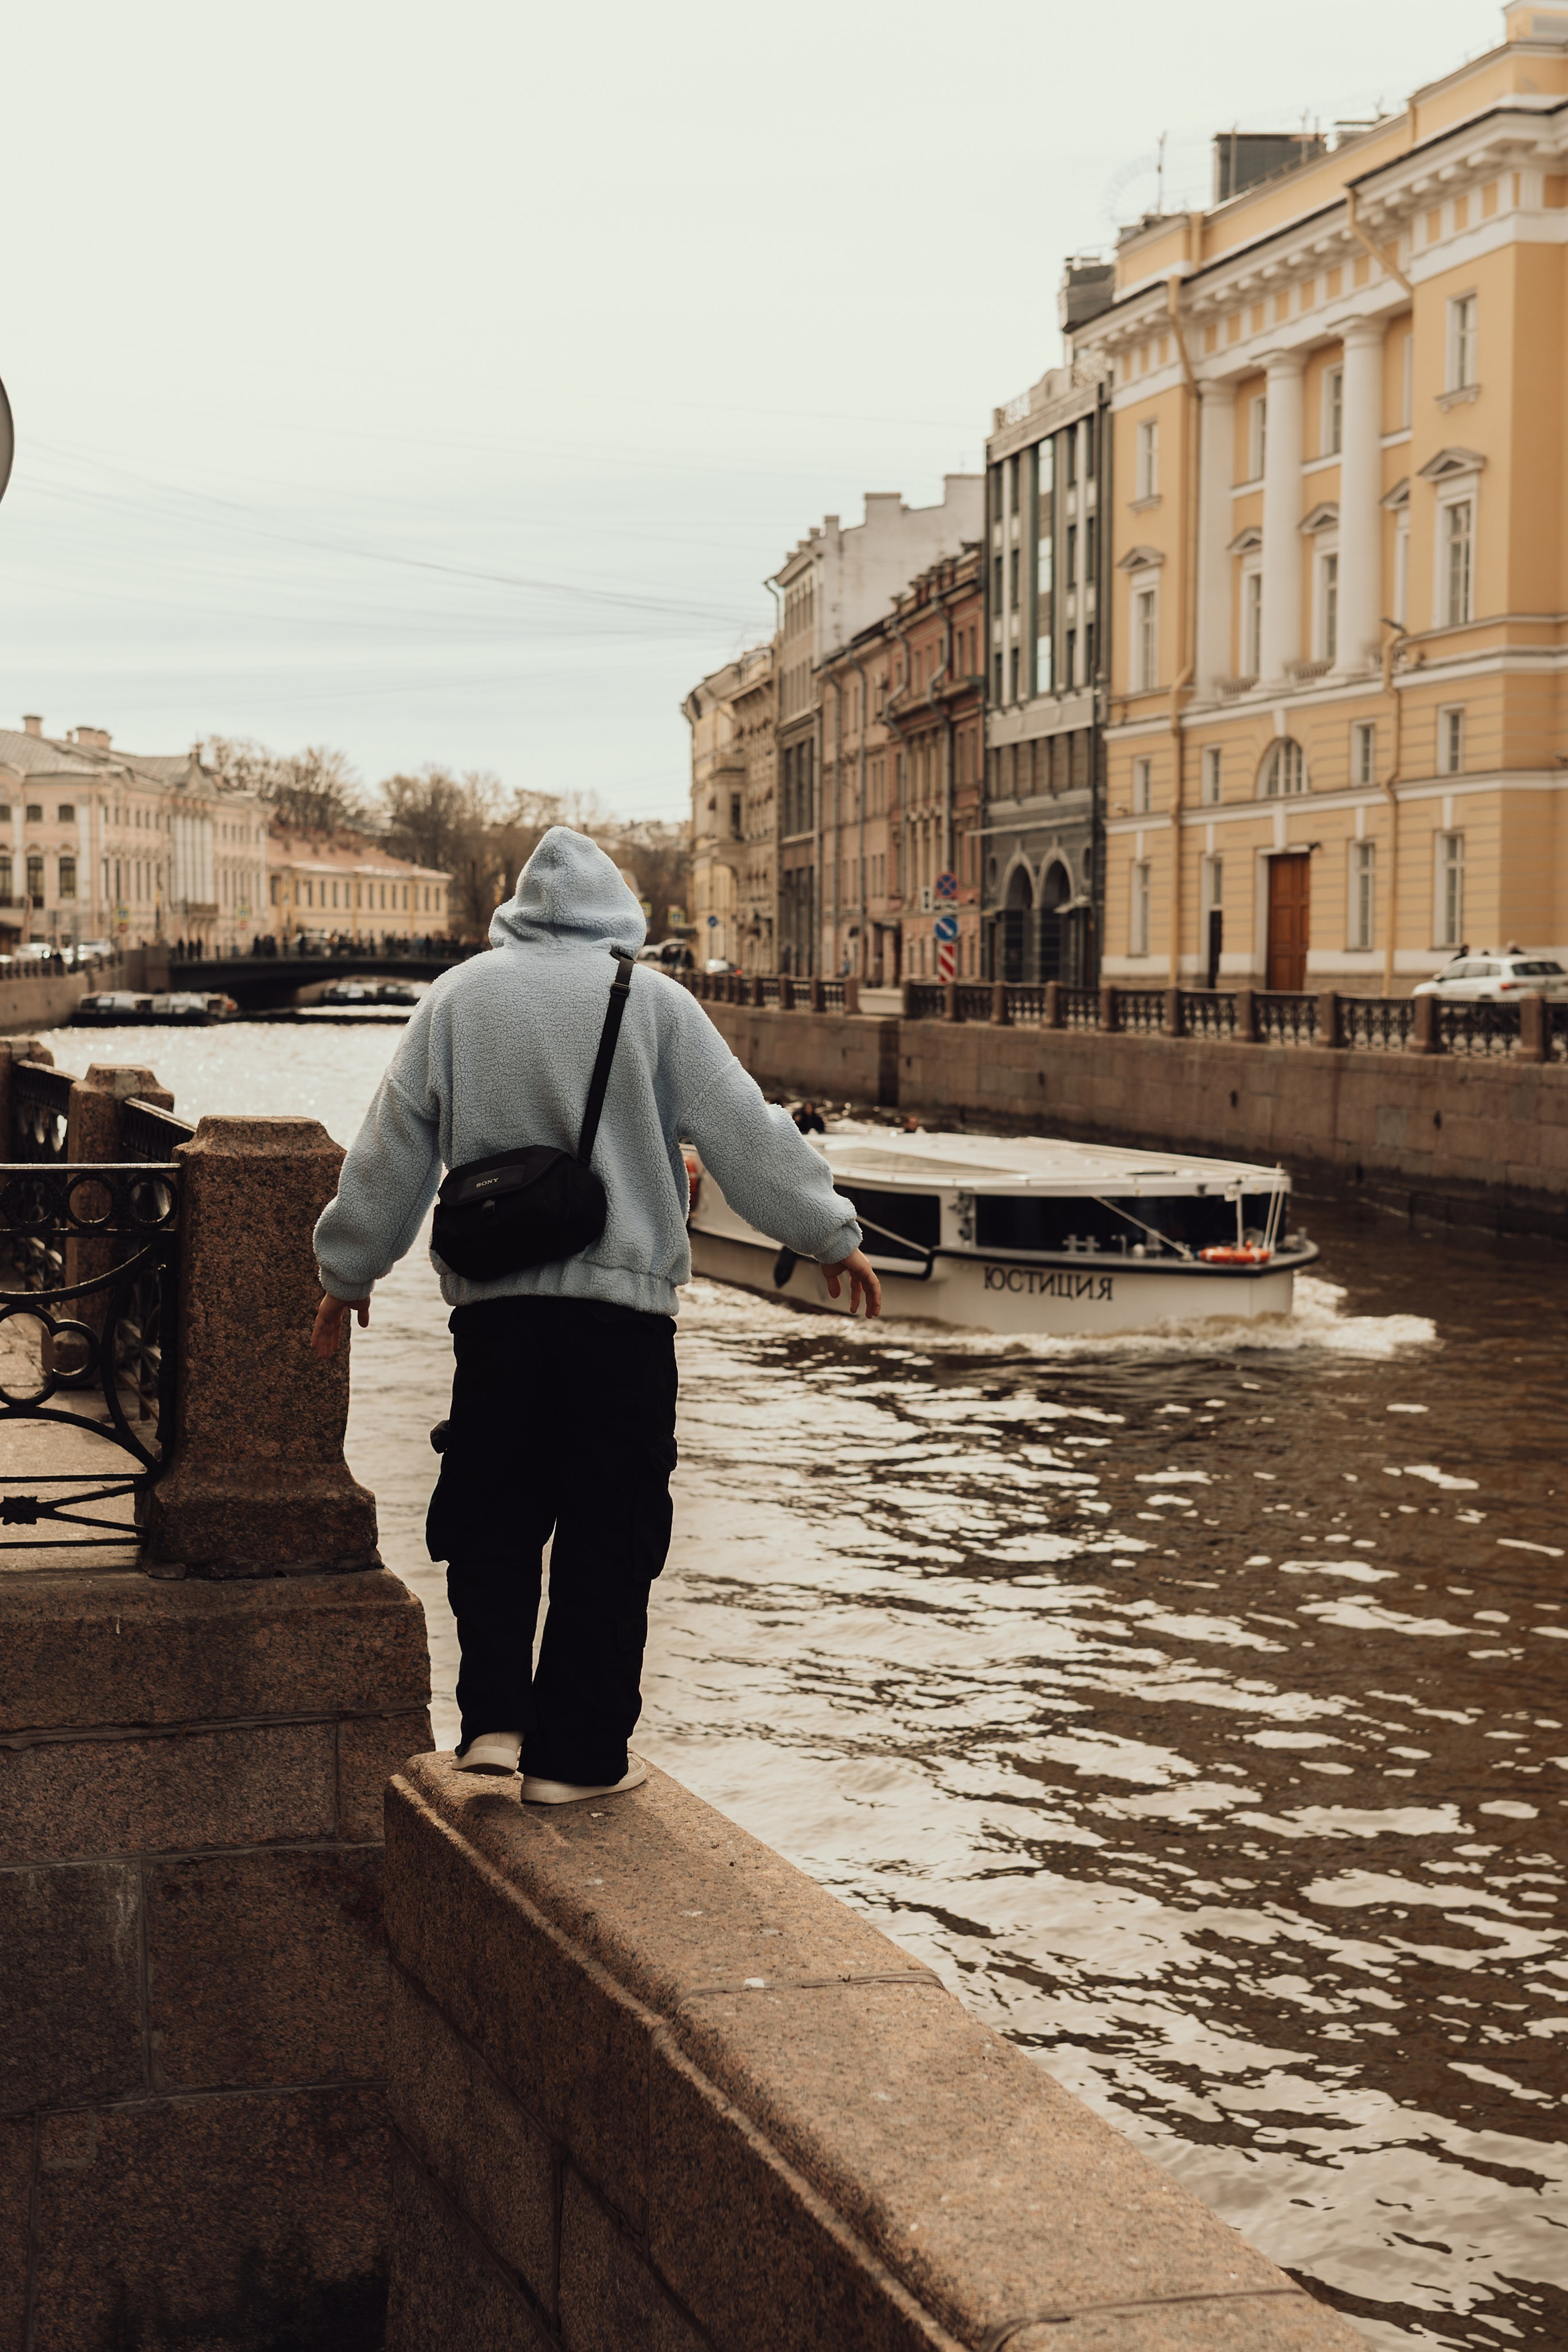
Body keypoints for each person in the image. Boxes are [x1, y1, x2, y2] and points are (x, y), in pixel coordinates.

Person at [309, 827, 879, 1807]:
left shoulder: (457, 998)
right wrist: (827, 1232)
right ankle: (573, 1763)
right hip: (622, 1325)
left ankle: (492, 1723)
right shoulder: (653, 1001)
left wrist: (349, 1268)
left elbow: (392, 1144)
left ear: (519, 909)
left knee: (492, 1512)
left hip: (497, 1319)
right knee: (610, 1529)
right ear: (620, 914)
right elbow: (746, 1131)